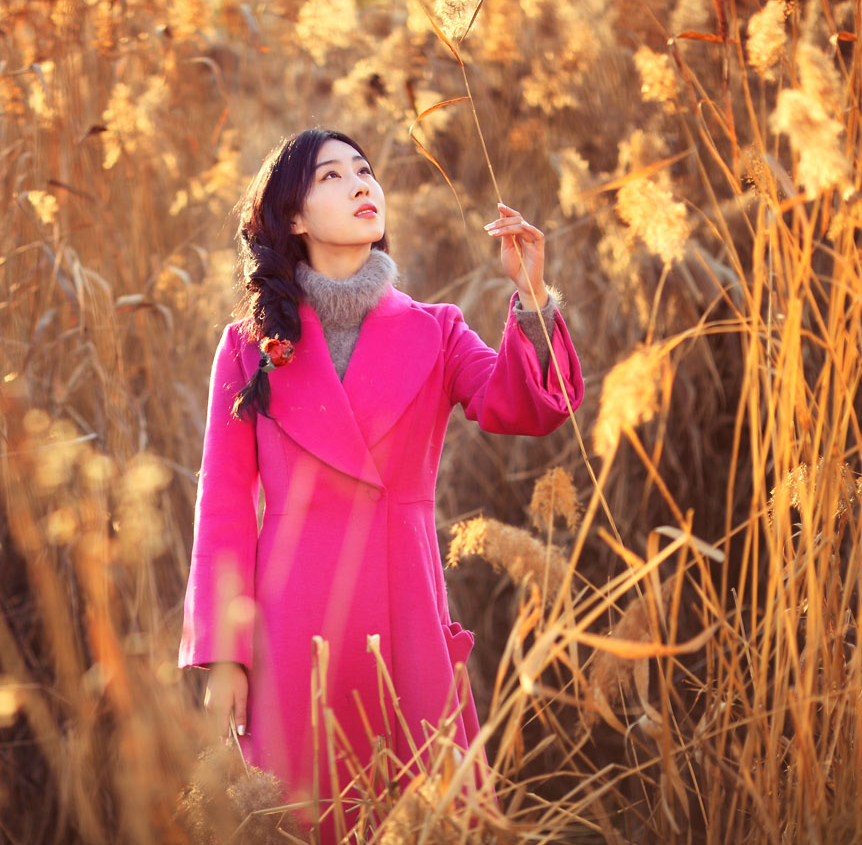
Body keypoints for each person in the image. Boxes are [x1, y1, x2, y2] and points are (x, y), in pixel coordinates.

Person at [177, 128, 585, 834]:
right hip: (290, 625)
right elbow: (224, 510)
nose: (362, 184)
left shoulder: (438, 330)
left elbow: (524, 407)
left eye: (365, 171)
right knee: (303, 816)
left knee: (429, 817)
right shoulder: (249, 346)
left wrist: (533, 297)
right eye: (332, 177)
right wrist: (225, 657)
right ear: (294, 218)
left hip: (406, 619)